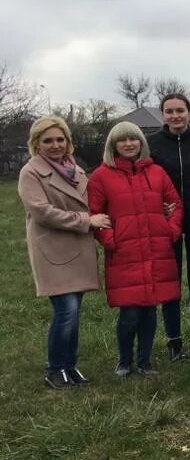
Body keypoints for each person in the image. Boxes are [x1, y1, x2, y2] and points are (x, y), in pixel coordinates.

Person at [18, 117, 109, 389]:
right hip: (53, 250)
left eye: (60, 139)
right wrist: (85, 222)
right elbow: (42, 212)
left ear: (68, 142)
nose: (55, 145)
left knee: (74, 311)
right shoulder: (30, 172)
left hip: (77, 251)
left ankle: (69, 365)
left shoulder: (76, 170)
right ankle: (55, 368)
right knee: (66, 310)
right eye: (48, 140)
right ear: (37, 144)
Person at [88, 122, 184, 377]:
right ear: (113, 145)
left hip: (156, 250)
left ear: (141, 142)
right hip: (125, 255)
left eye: (134, 139)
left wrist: (170, 231)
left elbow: (175, 204)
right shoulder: (101, 176)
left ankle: (145, 361)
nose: (129, 144)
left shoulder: (157, 173)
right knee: (130, 312)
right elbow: (95, 214)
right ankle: (124, 359)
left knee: (150, 310)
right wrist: (110, 240)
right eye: (123, 140)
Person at [149, 93, 190, 361]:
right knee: (170, 285)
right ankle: (174, 343)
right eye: (169, 111)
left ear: (189, 112)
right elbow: (146, 180)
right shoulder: (152, 144)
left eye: (180, 111)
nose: (175, 116)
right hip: (167, 223)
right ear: (163, 114)